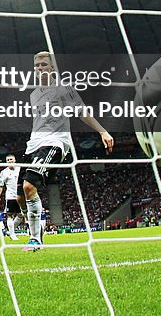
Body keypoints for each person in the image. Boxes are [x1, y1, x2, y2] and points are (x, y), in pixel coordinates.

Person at [21, 51, 114, 251]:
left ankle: (35, 239)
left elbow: (81, 112)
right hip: (34, 144)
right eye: (37, 65)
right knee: (20, 197)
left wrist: (102, 131)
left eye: (44, 65)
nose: (39, 69)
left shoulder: (63, 88)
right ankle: (38, 225)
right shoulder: (33, 94)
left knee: (29, 186)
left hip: (56, 142)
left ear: (52, 68)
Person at [0, 154, 21, 240]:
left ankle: (10, 231)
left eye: (11, 159)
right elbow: (1, 185)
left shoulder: (20, 169)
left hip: (20, 195)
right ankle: (13, 235)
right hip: (10, 196)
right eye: (8, 160)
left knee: (21, 215)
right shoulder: (4, 172)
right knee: (10, 215)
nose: (10, 161)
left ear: (15, 160)